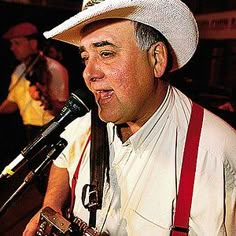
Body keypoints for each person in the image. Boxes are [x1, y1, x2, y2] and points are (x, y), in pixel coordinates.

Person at [23, 0, 236, 235]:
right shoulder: (85, 122)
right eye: (86, 58)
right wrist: (51, 204)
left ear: (156, 58)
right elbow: (63, 161)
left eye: (106, 53)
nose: (88, 73)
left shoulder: (218, 156)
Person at [0, 22, 69, 141]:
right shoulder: (19, 70)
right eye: (11, 44)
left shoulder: (54, 69)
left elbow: (62, 110)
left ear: (33, 43)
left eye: (17, 43)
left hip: (50, 131)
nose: (12, 48)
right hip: (28, 132)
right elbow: (12, 103)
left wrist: (45, 97)